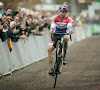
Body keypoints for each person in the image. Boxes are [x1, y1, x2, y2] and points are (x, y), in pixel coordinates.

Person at [48, 4, 73, 75]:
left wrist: (70, 29)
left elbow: (69, 25)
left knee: (66, 38)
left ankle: (64, 54)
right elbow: (52, 24)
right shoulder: (55, 18)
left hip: (64, 33)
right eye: (60, 12)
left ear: (66, 12)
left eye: (63, 12)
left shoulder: (69, 19)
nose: (61, 13)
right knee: (49, 49)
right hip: (56, 34)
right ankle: (51, 68)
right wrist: (51, 29)